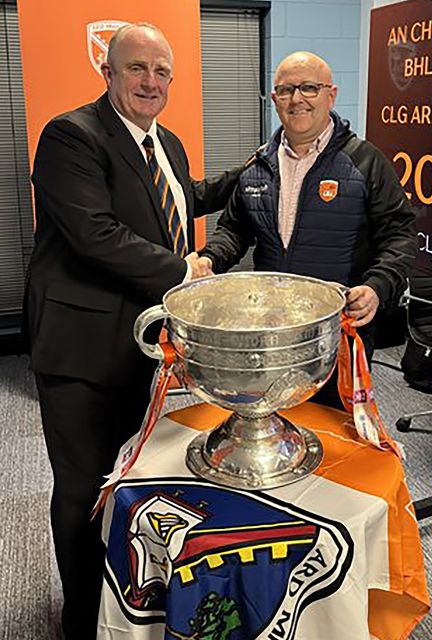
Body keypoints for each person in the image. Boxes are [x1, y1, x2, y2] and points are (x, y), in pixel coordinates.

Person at [23, 23, 248, 639]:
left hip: (140, 346)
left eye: (162, 72)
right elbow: (94, 231)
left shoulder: (165, 141)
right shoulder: (71, 135)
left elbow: (177, 200)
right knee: (82, 486)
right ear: (109, 73)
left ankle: (118, 604)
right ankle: (78, 621)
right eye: (137, 69)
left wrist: (255, 170)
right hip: (79, 348)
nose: (151, 82)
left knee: (128, 482)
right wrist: (185, 271)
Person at [198, 51, 416, 407]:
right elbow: (235, 229)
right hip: (271, 332)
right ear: (274, 99)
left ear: (331, 94)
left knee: (334, 433)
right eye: (285, 90)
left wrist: (377, 288)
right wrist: (210, 259)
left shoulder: (365, 161)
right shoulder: (259, 164)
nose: (296, 99)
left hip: (337, 332)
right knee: (270, 418)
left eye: (309, 88)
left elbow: (399, 235)